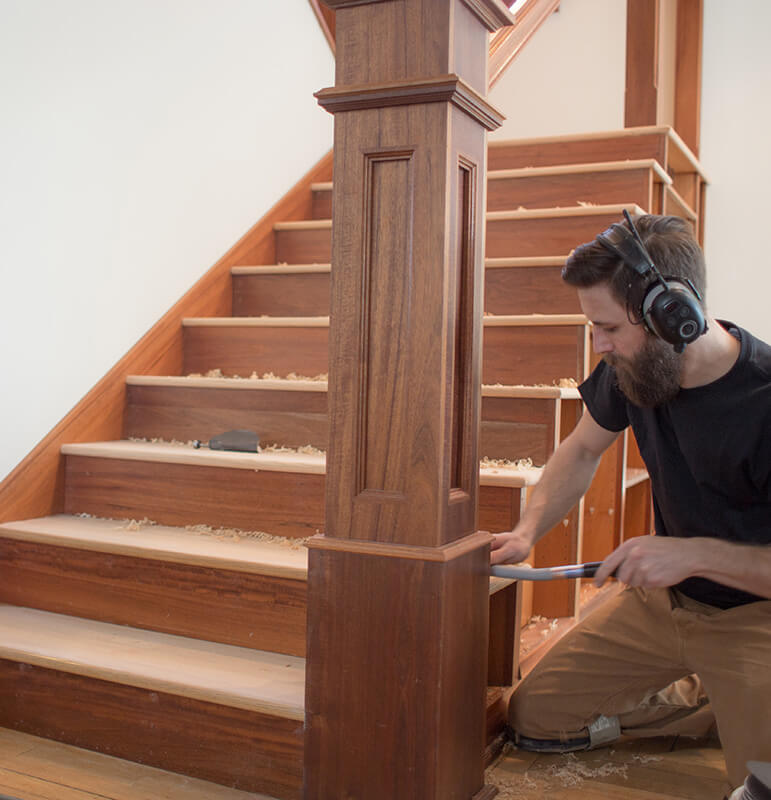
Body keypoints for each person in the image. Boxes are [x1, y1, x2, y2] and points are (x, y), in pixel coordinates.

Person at [490, 213, 771, 790]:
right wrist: (526, 532)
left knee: (756, 785)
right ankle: (715, 698)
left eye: (608, 327)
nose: (600, 344)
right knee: (536, 718)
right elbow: (581, 449)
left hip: (756, 617)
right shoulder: (633, 368)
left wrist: (692, 555)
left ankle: (737, 694)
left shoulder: (764, 400)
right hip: (663, 605)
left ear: (676, 315)